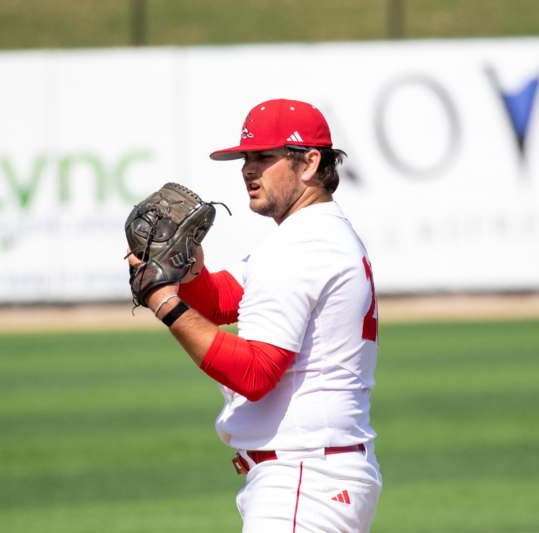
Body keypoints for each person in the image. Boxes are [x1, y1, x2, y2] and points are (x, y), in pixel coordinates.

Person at [129, 98, 382, 532]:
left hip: (305, 480)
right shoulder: (314, 233)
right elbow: (223, 299)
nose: (248, 169)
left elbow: (256, 373)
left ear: (309, 162)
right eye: (245, 158)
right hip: (315, 475)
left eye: (264, 157)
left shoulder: (301, 247)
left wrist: (167, 304)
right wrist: (190, 273)